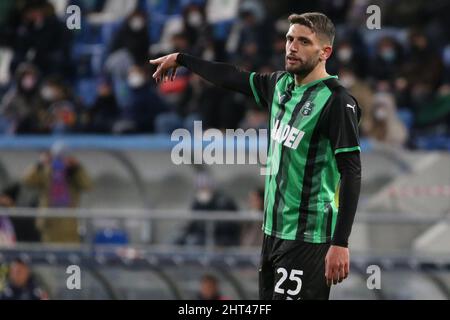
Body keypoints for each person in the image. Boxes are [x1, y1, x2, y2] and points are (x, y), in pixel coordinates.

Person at [150, 12, 362, 300]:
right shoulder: (280, 86)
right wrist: (183, 59)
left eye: (303, 41)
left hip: (307, 238)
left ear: (325, 52)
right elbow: (231, 77)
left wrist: (340, 242)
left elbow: (351, 171)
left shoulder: (337, 102)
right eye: (289, 39)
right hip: (272, 233)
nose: (292, 47)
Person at [22, 142, 92, 243]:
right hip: (49, 220)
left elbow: (87, 185)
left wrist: (77, 168)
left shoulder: (73, 172)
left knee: (69, 252)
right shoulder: (46, 171)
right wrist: (39, 164)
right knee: (49, 253)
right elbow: (27, 181)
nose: (60, 161)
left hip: (69, 221)